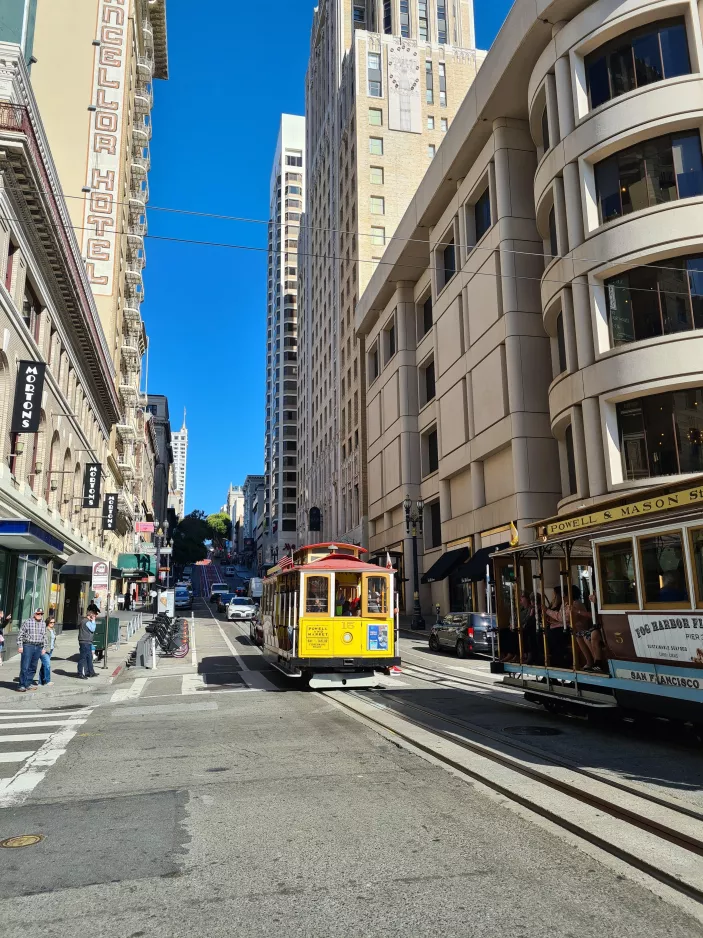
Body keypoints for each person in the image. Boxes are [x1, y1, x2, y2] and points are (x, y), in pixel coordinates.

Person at [17, 608, 46, 692]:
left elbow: (44, 636)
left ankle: (28, 683)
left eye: (41, 614)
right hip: (28, 646)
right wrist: (20, 646)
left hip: (38, 646)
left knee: (33, 666)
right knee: (25, 666)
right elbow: (20, 635)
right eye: (38, 613)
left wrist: (44, 648)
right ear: (34, 614)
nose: (39, 615)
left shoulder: (43, 623)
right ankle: (21, 685)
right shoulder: (28, 622)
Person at [77, 610, 98, 679]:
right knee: (83, 658)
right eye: (94, 616)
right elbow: (93, 629)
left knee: (89, 657)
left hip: (87, 642)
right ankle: (80, 673)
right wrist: (93, 621)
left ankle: (90, 672)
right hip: (85, 642)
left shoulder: (84, 621)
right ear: (91, 616)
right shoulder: (86, 622)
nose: (95, 617)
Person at [39, 615, 56, 686]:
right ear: (48, 622)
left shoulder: (53, 630)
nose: (52, 623)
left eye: (54, 622)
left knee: (44, 665)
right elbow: (41, 639)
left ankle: (40, 682)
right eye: (51, 622)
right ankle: (47, 681)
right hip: (44, 650)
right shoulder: (44, 630)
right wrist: (42, 648)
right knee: (48, 665)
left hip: (50, 650)